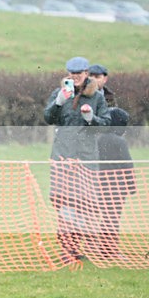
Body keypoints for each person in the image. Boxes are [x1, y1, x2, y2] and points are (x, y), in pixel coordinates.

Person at [43, 56, 111, 263]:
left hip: (86, 159)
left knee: (83, 206)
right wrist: (58, 103)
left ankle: (77, 247)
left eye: (79, 74)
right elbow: (48, 118)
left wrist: (92, 119)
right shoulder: (60, 92)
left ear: (86, 73)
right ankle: (67, 249)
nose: (76, 77)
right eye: (72, 74)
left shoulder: (97, 97)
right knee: (65, 206)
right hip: (63, 157)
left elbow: (106, 125)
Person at [94, 107, 136, 259]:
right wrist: (132, 186)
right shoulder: (120, 141)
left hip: (99, 185)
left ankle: (103, 247)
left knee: (105, 217)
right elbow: (127, 164)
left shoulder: (98, 139)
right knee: (112, 219)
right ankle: (109, 250)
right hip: (117, 187)